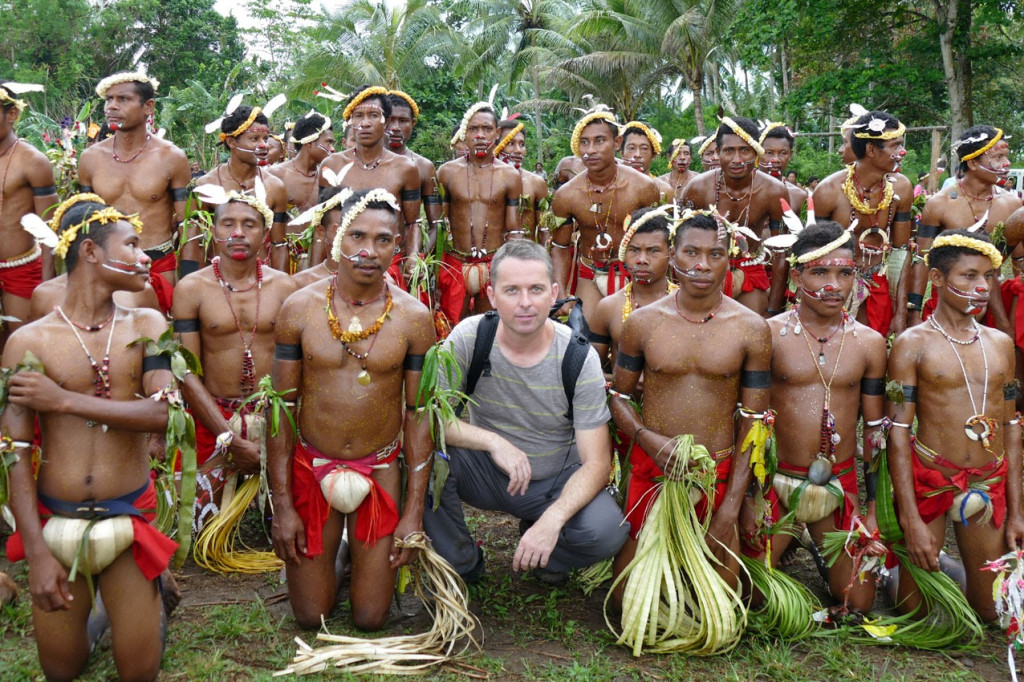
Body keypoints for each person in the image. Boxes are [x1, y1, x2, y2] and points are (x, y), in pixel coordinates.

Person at [3, 194, 177, 681]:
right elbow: (12, 453)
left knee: (138, 672)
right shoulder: (29, 342)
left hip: (126, 519)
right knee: (63, 670)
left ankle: (146, 597)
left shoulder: (147, 325)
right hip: (58, 525)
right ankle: (104, 615)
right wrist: (36, 554)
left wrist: (63, 401)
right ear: (92, 253)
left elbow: (165, 416)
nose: (146, 256)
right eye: (133, 244)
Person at [269, 188, 435, 630]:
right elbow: (280, 412)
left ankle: (352, 552)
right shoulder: (298, 309)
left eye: (383, 239)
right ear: (336, 238)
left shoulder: (414, 318)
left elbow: (418, 415)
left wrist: (413, 513)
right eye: (357, 235)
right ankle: (339, 551)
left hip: (379, 469)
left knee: (369, 618)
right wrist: (281, 505)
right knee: (310, 616)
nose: (369, 250)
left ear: (397, 245)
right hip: (312, 464)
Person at [422, 240, 628, 584]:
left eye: (535, 290)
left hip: (554, 481)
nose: (525, 303)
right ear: (491, 294)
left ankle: (545, 551)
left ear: (553, 293)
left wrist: (553, 519)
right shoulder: (471, 338)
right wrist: (493, 442)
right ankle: (462, 562)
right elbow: (432, 416)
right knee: (424, 460)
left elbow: (597, 463)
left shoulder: (577, 357)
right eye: (511, 290)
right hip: (486, 472)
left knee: (607, 531)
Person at [608, 211, 772, 596]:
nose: (701, 265)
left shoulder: (751, 329)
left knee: (720, 602)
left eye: (715, 254)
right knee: (622, 602)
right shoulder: (644, 323)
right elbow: (618, 398)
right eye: (691, 252)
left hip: (717, 474)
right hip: (654, 472)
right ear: (673, 256)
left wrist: (731, 507)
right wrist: (649, 441)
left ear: (729, 259)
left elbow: (755, 418)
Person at [888, 230, 1024, 622]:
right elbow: (897, 432)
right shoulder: (911, 344)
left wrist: (1016, 511)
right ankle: (890, 573)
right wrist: (909, 519)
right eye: (968, 277)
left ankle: (956, 566)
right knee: (913, 610)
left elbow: (1011, 426)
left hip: (986, 482)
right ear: (937, 280)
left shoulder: (1000, 344)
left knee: (990, 614)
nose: (982, 287)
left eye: (988, 277)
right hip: (932, 478)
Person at [761, 221, 888, 615]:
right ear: (796, 276)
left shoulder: (869, 343)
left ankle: (817, 546)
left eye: (845, 273)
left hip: (838, 484)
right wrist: (747, 496)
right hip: (777, 481)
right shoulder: (768, 335)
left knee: (858, 602)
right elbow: (748, 418)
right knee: (752, 596)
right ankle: (789, 537)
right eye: (820, 272)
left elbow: (874, 429)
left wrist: (871, 507)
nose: (833, 284)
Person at [172, 188, 297, 527]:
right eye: (228, 224)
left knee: (287, 525)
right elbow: (185, 373)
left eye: (249, 225)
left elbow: (299, 368)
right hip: (213, 415)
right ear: (213, 232)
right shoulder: (191, 289)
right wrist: (226, 436)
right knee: (202, 528)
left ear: (265, 233)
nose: (238, 233)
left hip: (276, 415)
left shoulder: (285, 288)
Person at [78, 72, 190, 305]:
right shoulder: (91, 158)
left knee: (158, 337)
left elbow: (188, 225)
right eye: (109, 99)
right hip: (107, 266)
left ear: (148, 106)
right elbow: (84, 223)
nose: (112, 106)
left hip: (158, 264)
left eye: (123, 99)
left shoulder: (172, 157)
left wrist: (189, 280)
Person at [550, 108, 660, 323]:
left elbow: (659, 242)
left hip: (634, 275)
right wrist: (561, 292)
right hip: (590, 273)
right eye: (585, 142)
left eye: (599, 141)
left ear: (617, 142)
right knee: (586, 342)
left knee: (632, 343)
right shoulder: (567, 195)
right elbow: (561, 246)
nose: (590, 150)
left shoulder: (643, 187)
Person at [910, 126, 1022, 334]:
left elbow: (1019, 262)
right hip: (949, 304)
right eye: (998, 158)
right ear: (972, 163)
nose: (1006, 164)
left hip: (995, 304)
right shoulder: (939, 204)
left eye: (1006, 156)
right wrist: (912, 312)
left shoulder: (1012, 205)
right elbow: (920, 261)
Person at [811, 110, 914, 336]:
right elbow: (812, 255)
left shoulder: (903, 188)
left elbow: (900, 252)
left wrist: (901, 312)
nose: (902, 152)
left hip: (879, 282)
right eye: (895, 146)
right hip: (835, 288)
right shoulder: (828, 191)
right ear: (870, 150)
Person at [681, 115, 787, 316]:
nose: (737, 160)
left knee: (753, 328)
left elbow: (782, 251)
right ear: (718, 153)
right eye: (729, 151)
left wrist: (774, 310)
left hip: (750, 271)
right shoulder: (698, 188)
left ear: (756, 152)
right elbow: (679, 244)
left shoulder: (773, 191)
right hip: (703, 272)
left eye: (744, 150)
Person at [318, 86, 423, 286]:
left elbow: (413, 222)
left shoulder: (406, 169)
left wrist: (413, 256)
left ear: (386, 122)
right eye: (358, 116)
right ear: (350, 122)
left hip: (388, 266)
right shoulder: (331, 166)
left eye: (373, 115)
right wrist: (317, 270)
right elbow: (321, 224)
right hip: (342, 265)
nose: (365, 123)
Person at [437, 101, 522, 324]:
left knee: (491, 328)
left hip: (493, 263)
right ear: (464, 134)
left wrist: (516, 268)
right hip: (455, 263)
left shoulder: (510, 175)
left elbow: (513, 229)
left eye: (486, 129)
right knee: (452, 330)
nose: (480, 135)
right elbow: (438, 224)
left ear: (496, 132)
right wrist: (427, 266)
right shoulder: (447, 172)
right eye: (473, 129)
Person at [190, 100, 290, 273]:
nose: (263, 146)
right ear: (231, 142)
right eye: (254, 139)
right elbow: (193, 242)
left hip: (260, 277)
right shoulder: (206, 185)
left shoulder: (275, 187)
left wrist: (282, 286)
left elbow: (279, 245)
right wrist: (191, 283)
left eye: (265, 139)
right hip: (216, 276)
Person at [587, 205, 676, 375]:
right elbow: (593, 371)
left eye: (653, 251)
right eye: (634, 250)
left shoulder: (686, 305)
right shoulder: (608, 308)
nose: (641, 259)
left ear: (671, 255)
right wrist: (619, 385)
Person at [0, 80, 58, 338]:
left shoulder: (32, 160)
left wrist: (48, 284)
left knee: (22, 345)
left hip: (21, 269)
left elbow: (50, 228)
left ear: (11, 114)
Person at [267, 110, 335, 273]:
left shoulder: (328, 178)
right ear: (309, 142)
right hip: (280, 262)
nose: (332, 149)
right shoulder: (275, 175)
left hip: (317, 263)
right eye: (328, 142)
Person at [385, 91, 442, 252]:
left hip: (405, 259)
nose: (395, 128)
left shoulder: (424, 167)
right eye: (390, 120)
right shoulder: (365, 162)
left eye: (403, 121)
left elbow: (436, 225)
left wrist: (417, 260)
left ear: (413, 123)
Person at [495, 116, 549, 242]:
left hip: (526, 255)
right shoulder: (483, 180)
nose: (518, 150)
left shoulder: (536, 183)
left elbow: (545, 232)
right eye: (510, 143)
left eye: (522, 144)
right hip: (491, 258)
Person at [289, 186, 348, 290]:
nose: (347, 233)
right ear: (321, 232)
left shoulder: (379, 280)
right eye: (340, 228)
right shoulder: (300, 283)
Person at [758, 121, 807, 211]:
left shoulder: (798, 196)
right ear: (757, 152)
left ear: (790, 155)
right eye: (769, 153)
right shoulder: (740, 194)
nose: (776, 159)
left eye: (783, 153)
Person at [620, 121, 673, 200]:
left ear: (653, 155)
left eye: (644, 148)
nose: (637, 155)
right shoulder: (609, 188)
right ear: (622, 153)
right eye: (631, 148)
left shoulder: (664, 191)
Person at [659, 138, 698, 203]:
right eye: (677, 153)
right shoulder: (660, 182)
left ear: (691, 157)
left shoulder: (698, 180)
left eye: (686, 154)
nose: (682, 157)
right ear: (669, 157)